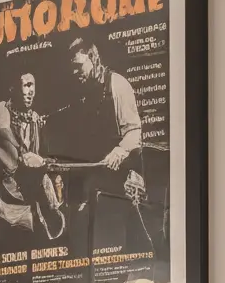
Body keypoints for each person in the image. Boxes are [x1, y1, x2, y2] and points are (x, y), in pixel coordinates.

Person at [50, 33, 165, 264]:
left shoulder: (118, 85)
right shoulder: (80, 92)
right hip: (92, 180)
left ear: (93, 58)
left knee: (130, 249)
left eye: (77, 65)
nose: (74, 72)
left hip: (120, 181)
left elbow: (134, 132)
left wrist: (120, 151)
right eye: (70, 67)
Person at [0, 66, 66, 242]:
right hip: (5, 205)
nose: (30, 91)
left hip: (34, 203)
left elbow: (46, 159)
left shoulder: (35, 119)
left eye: (32, 85)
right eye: (26, 85)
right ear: (13, 88)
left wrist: (49, 173)